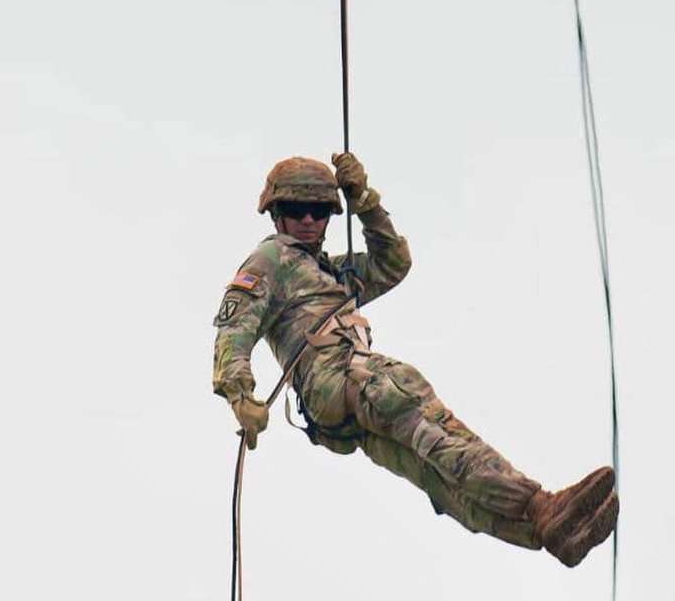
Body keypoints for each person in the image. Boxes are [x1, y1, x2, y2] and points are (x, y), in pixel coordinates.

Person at [211, 152, 619, 567]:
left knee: (433, 473)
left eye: (319, 211)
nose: (309, 221)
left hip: (336, 412)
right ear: (276, 213)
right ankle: (540, 504)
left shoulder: (328, 272)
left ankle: (543, 533)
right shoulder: (272, 258)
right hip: (338, 378)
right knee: (428, 421)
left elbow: (392, 264)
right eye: (297, 210)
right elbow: (235, 326)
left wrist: (365, 203)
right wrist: (239, 393)